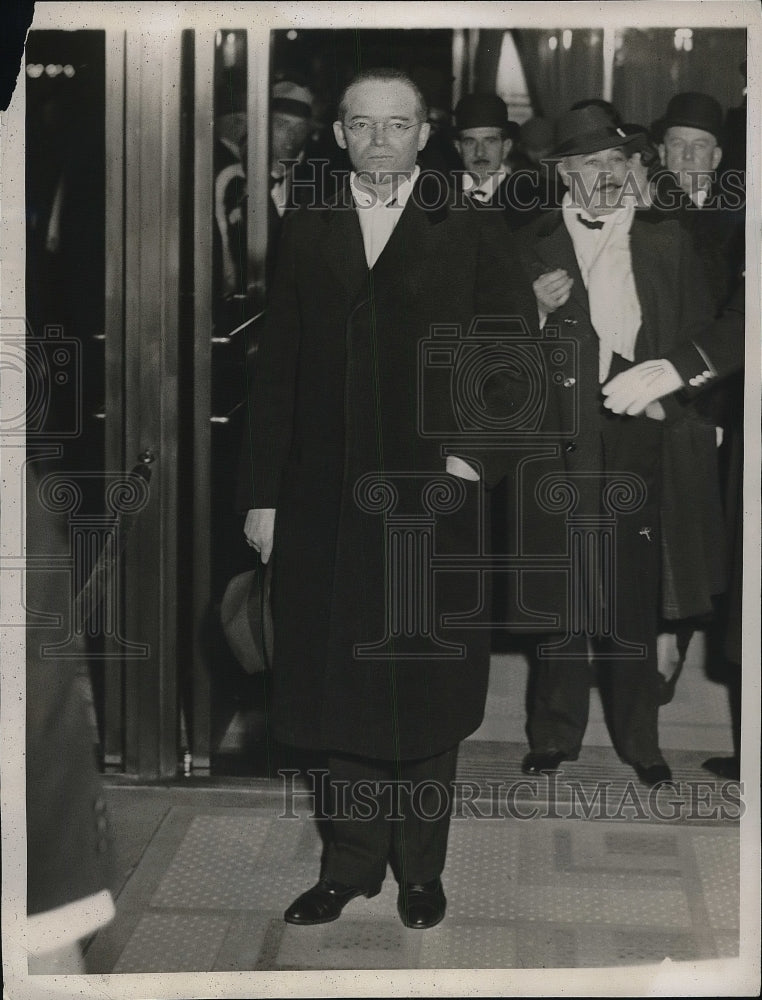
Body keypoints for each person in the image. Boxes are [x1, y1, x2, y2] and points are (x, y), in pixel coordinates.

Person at [237, 67, 526, 929]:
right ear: (338, 136)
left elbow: (512, 356)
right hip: (323, 503)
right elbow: (278, 371)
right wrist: (263, 496)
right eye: (360, 126)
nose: (378, 142)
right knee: (338, 687)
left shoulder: (470, 223)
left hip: (431, 499)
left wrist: (473, 461)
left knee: (427, 684)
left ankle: (420, 872)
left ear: (424, 131)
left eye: (396, 126)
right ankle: (351, 865)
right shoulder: (311, 225)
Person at [500, 105, 720, 787]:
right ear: (565, 175)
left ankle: (640, 742)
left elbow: (703, 336)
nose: (608, 176)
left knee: (634, 589)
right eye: (592, 165)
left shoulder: (668, 239)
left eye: (618, 163)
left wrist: (675, 399)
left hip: (640, 434)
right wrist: (530, 310)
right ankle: (554, 733)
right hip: (560, 437)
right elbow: (491, 356)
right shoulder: (526, 245)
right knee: (564, 586)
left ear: (634, 171)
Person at [452, 93, 527, 229]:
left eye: (490, 141)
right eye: (470, 142)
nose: (480, 152)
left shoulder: (530, 198)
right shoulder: (439, 195)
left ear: (506, 147)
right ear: (458, 148)